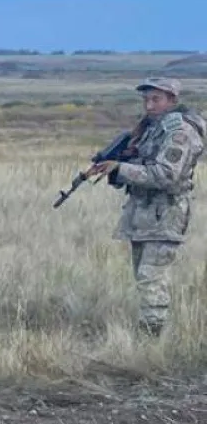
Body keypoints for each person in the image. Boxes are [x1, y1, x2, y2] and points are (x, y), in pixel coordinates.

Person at [87, 77, 205, 336]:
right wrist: (116, 166)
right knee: (143, 277)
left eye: (156, 99)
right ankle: (150, 331)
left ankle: (152, 339)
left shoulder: (180, 132)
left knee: (152, 277)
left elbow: (166, 174)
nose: (149, 106)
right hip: (144, 213)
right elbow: (144, 161)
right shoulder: (153, 128)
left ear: (172, 101)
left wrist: (122, 168)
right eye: (146, 100)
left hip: (166, 213)